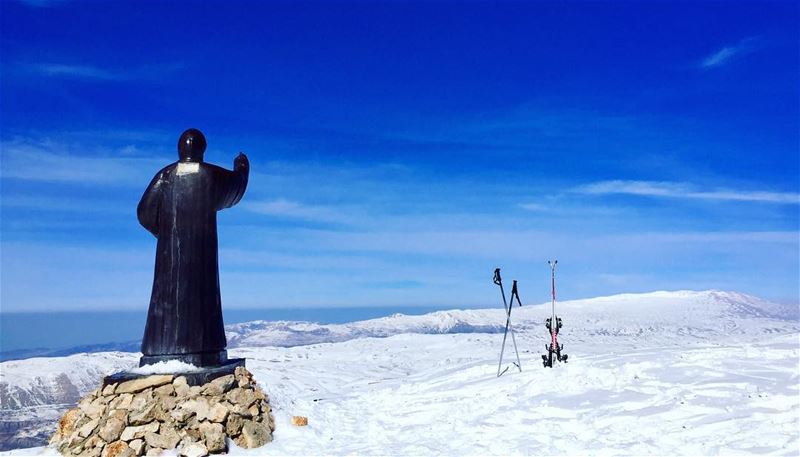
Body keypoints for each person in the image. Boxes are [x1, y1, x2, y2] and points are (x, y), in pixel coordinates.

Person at [137, 128, 249, 367]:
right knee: (203, 296)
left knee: (165, 300)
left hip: (170, 256)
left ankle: (160, 349)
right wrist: (242, 167)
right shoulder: (210, 176)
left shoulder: (165, 176)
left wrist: (165, 235)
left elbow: (144, 212)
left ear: (180, 148)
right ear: (202, 149)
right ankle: (203, 349)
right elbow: (236, 190)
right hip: (202, 254)